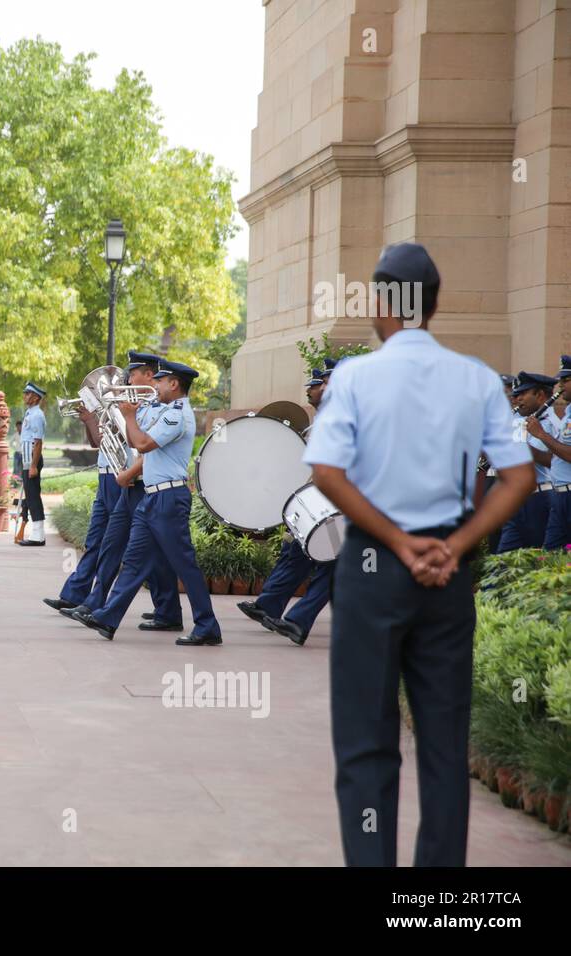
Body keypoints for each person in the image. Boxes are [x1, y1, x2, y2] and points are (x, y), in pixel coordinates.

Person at [305, 242, 533, 867]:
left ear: (382, 302)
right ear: (432, 305)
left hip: (376, 566)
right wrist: (452, 545)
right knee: (442, 744)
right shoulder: (480, 379)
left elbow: (325, 470)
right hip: (447, 572)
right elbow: (519, 477)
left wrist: (399, 542)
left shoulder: (353, 377)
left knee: (365, 742)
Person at [67, 361, 221, 645]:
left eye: (160, 381)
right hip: (152, 496)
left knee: (185, 566)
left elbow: (142, 444)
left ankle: (207, 625)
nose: (156, 386)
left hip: (169, 498)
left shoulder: (178, 415)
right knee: (135, 563)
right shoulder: (164, 410)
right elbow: (132, 437)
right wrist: (125, 413)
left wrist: (130, 417)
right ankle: (107, 617)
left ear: (174, 384)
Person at [45, 352, 178, 628]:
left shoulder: (148, 405)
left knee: (134, 549)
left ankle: (163, 608)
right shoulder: (121, 405)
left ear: (148, 375)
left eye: (133, 373)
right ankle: (77, 596)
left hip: (129, 479)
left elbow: (139, 445)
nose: (128, 379)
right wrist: (90, 419)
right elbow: (98, 443)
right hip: (109, 477)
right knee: (102, 542)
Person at [237, 365, 336, 645]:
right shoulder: (328, 420)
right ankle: (275, 608)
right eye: (323, 383)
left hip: (342, 502)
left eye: (326, 383)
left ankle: (297, 620)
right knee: (301, 553)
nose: (321, 388)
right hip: (321, 500)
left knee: (333, 564)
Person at [493, 370, 560, 551]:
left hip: (539, 498)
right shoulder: (522, 421)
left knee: (537, 556)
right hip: (516, 497)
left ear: (539, 395)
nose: (518, 399)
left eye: (523, 394)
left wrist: (515, 447)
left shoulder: (551, 423)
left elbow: (550, 461)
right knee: (503, 560)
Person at [525, 354, 571, 551]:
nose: (560, 386)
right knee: (549, 556)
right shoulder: (568, 412)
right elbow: (553, 459)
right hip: (559, 495)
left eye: (566, 380)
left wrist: (541, 435)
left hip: (568, 494)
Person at [18, 386, 47, 546]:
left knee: (33, 496)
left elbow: (38, 442)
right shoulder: (30, 413)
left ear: (36, 397)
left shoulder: (36, 415)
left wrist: (33, 466)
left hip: (32, 460)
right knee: (31, 496)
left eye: (28, 393)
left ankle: (38, 535)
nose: (25, 396)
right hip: (28, 460)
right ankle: (38, 534)